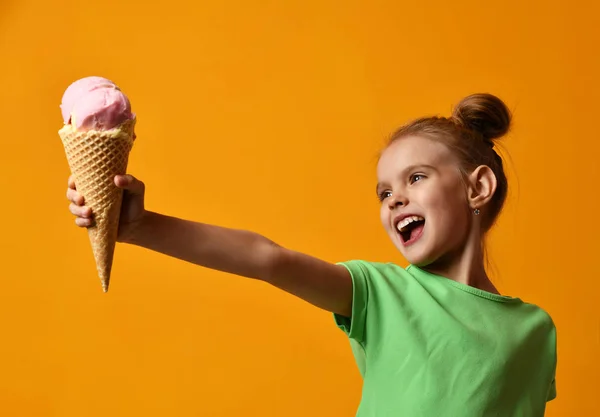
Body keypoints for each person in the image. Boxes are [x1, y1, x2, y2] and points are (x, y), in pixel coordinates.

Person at [66, 93, 557, 416]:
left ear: (479, 187)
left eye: (416, 178)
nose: (395, 200)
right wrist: (142, 226)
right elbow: (268, 258)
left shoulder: (536, 332)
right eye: (384, 193)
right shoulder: (382, 294)